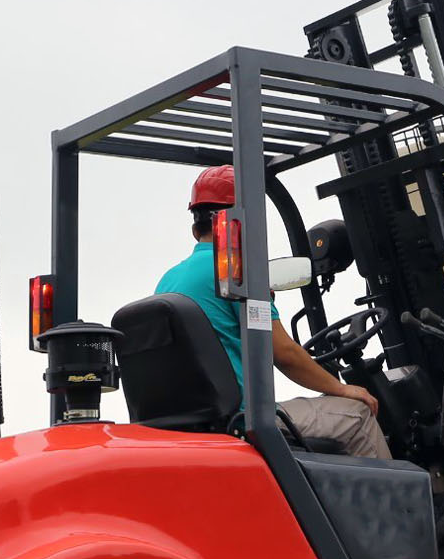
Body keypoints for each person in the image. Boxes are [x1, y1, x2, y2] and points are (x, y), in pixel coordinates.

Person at [156, 165, 390, 460]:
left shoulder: (168, 281)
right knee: (357, 414)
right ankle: (410, 507)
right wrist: (343, 389)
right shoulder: (234, 272)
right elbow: (284, 353)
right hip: (239, 421)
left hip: (194, 424)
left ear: (195, 229)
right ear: (242, 221)